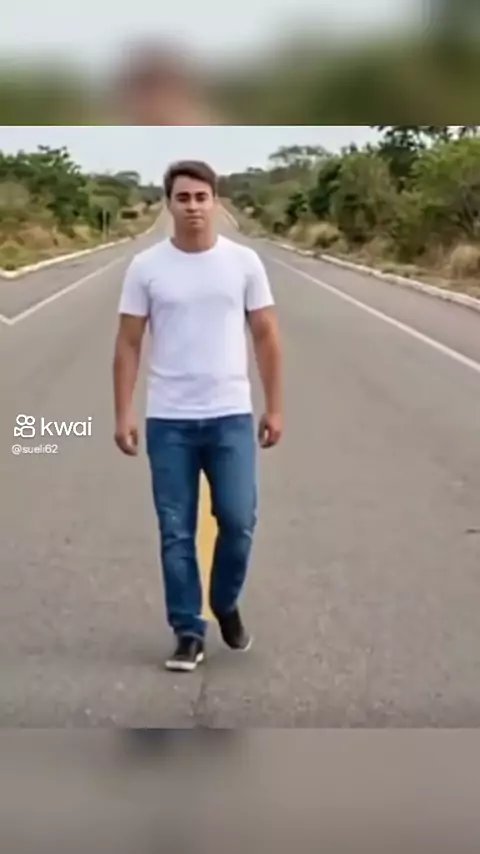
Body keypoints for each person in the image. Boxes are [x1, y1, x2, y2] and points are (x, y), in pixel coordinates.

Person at [113, 160, 283, 672]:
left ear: (215, 201)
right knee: (176, 531)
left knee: (238, 519)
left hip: (230, 416)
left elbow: (266, 335)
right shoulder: (146, 267)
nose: (192, 207)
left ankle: (224, 602)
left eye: (201, 197)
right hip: (170, 421)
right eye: (182, 198)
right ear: (168, 203)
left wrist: (275, 405)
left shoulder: (244, 263)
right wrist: (123, 412)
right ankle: (188, 630)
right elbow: (128, 342)